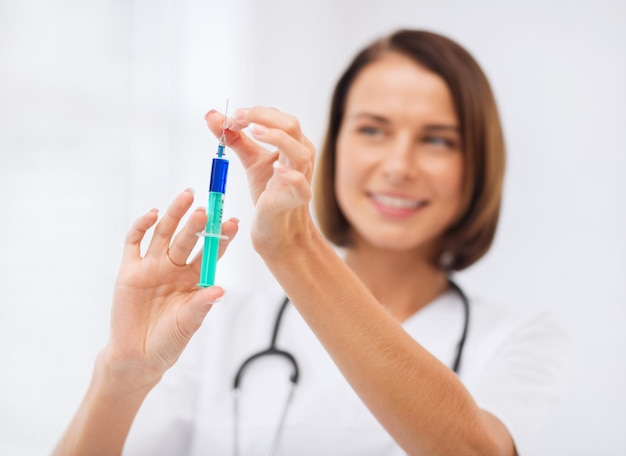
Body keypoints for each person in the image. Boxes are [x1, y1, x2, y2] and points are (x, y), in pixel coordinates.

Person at [53, 29, 565, 455]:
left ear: (476, 165)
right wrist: (122, 374)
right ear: (336, 144)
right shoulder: (211, 327)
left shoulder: (521, 339)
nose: (398, 166)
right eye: (372, 130)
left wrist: (293, 250)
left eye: (437, 139)